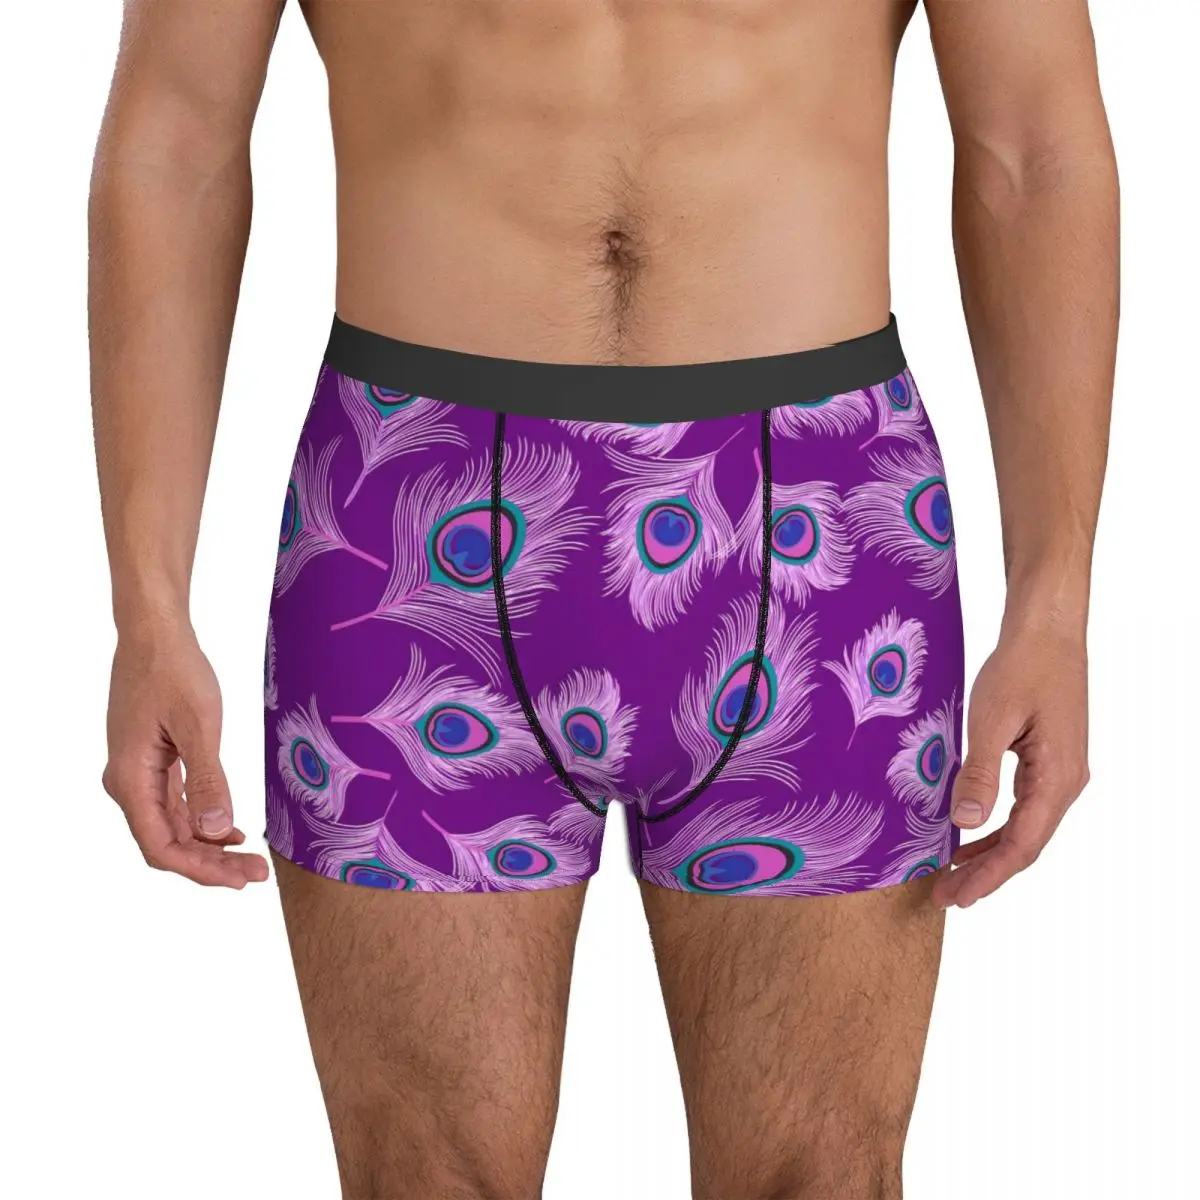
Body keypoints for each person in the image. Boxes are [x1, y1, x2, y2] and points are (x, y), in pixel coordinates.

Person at [89, 1, 1116, 1196]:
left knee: (822, 1175)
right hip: (408, 528)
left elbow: (1033, 147)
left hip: (823, 541)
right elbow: (174, 140)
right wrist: (146, 606)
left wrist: (1055, 603)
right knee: (423, 1179)